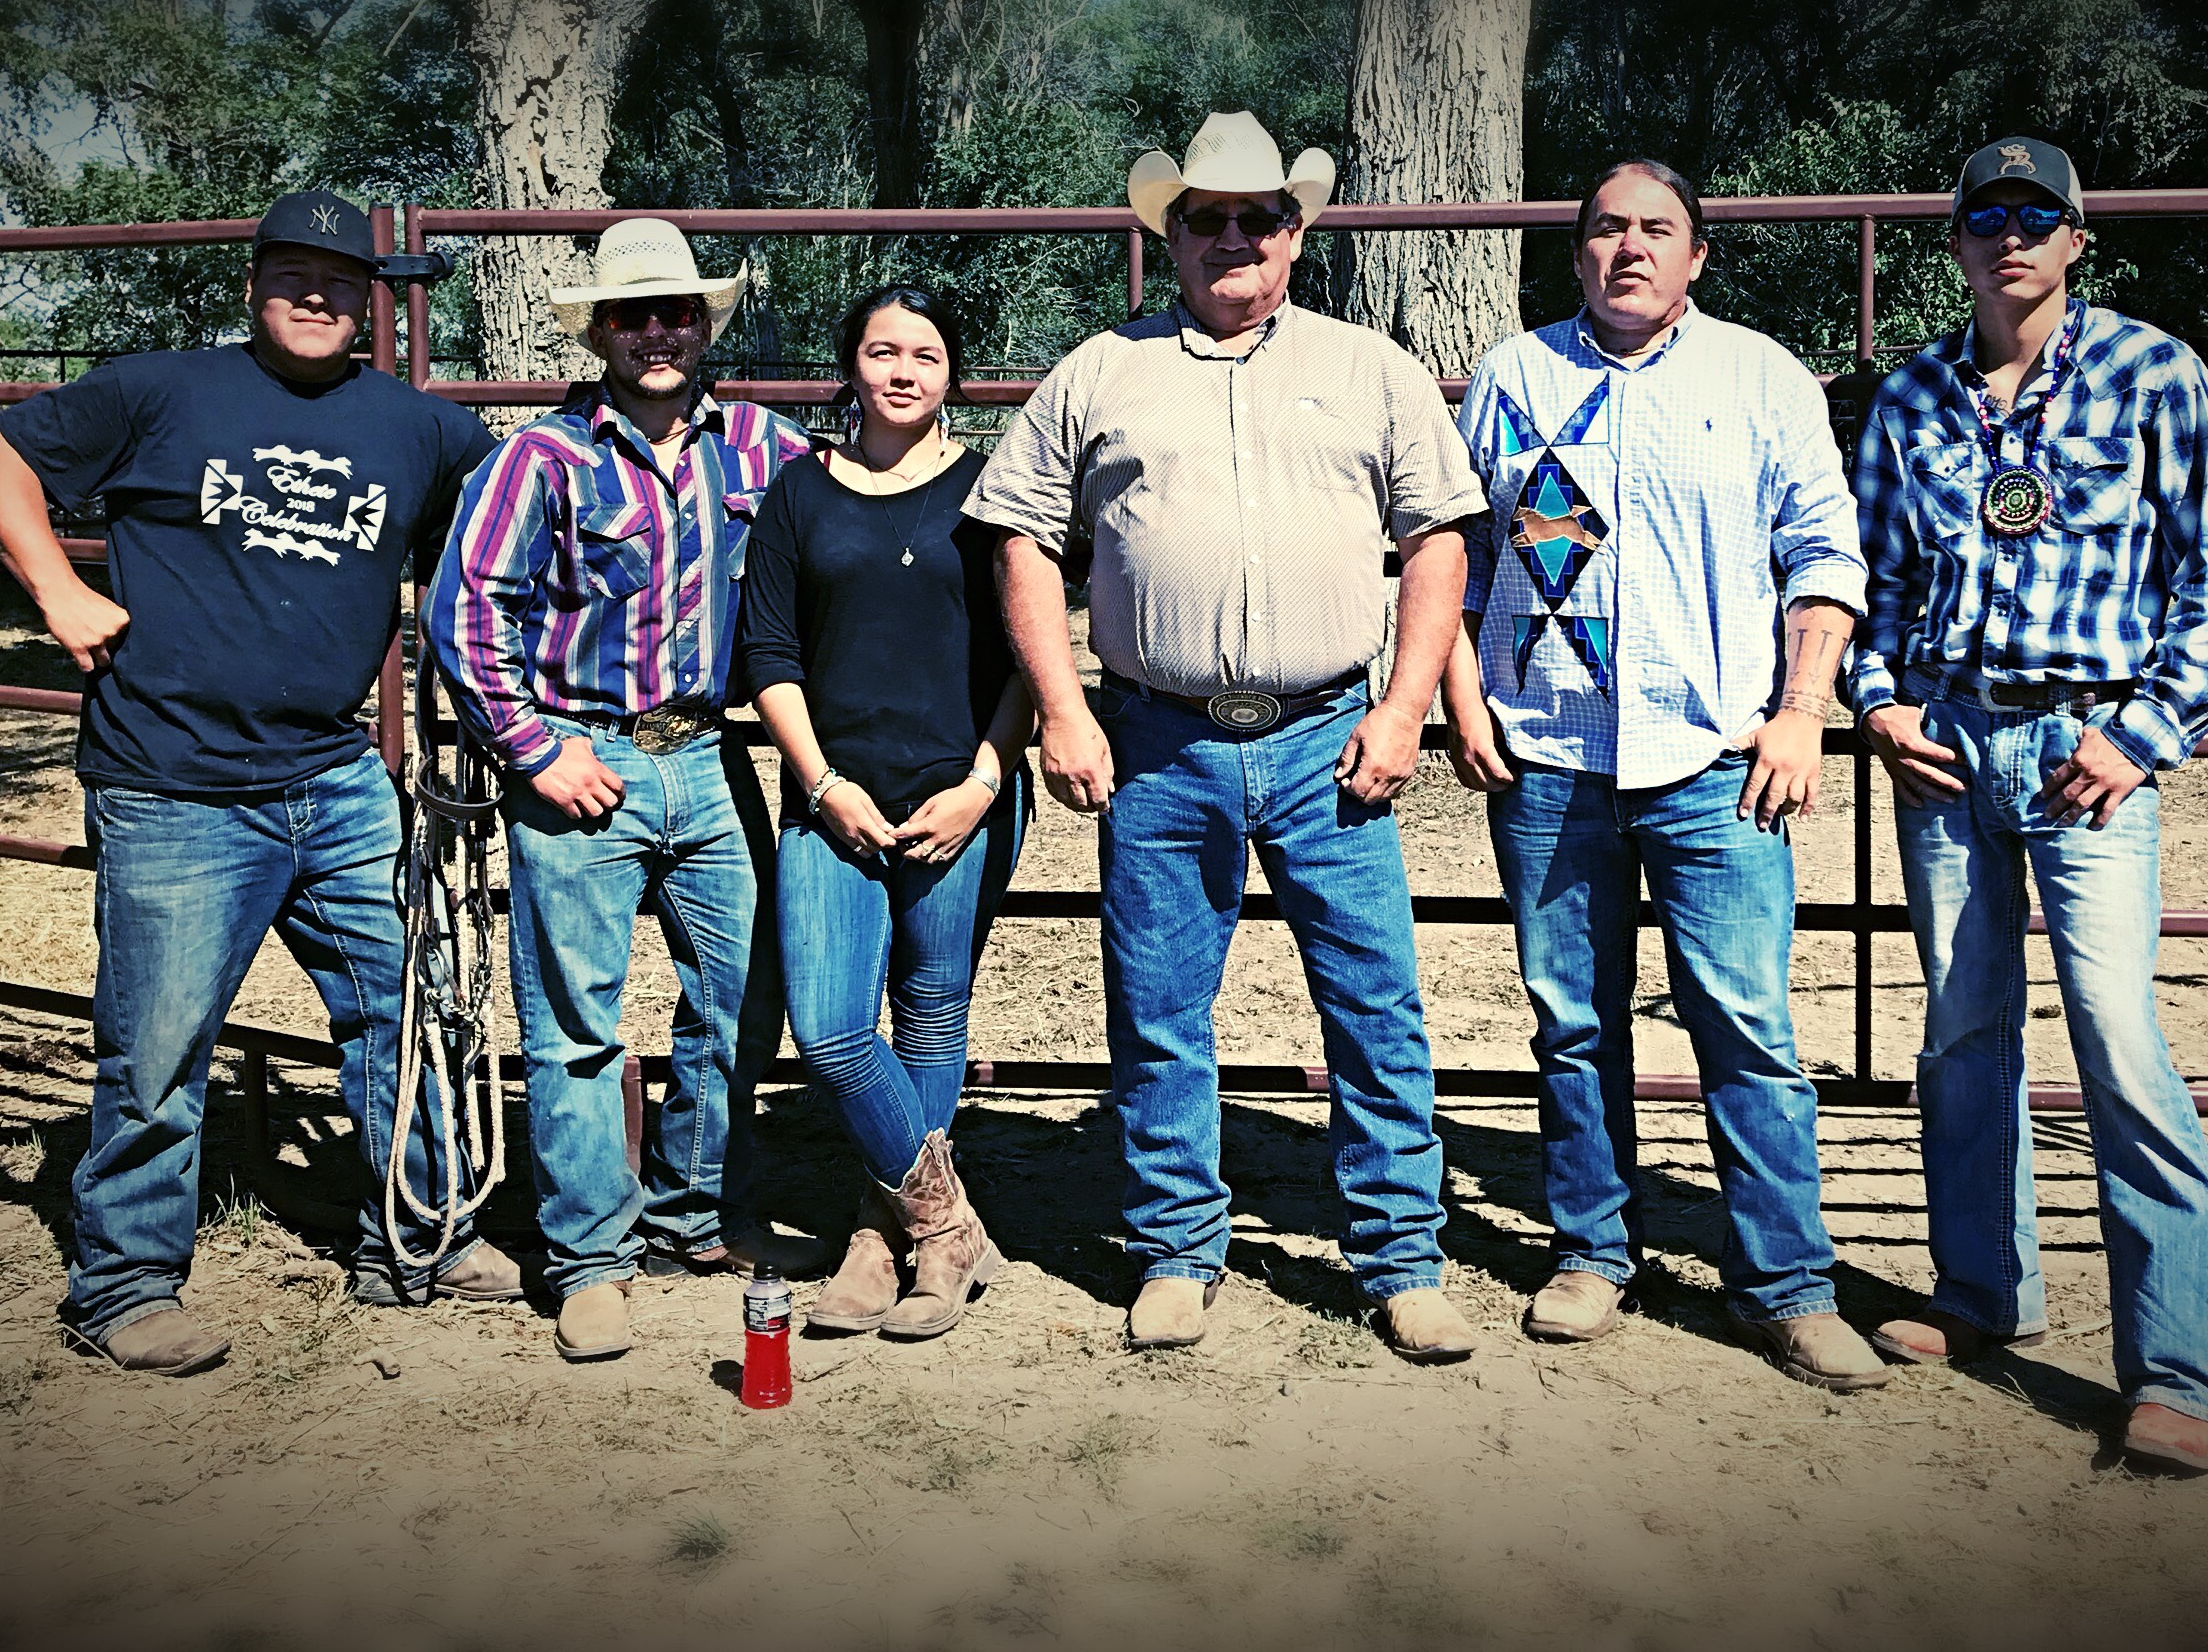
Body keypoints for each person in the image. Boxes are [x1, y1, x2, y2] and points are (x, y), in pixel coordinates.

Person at [0, 190, 514, 1375]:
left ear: (373, 295)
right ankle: (123, 1286)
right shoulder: (162, 390)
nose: (316, 296)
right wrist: (57, 590)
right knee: (156, 1049)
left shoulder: (416, 427)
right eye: (292, 275)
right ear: (254, 280)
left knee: (407, 1013)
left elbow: (525, 511)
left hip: (335, 774)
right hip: (174, 783)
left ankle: (414, 1234)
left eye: (340, 279)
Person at [966, 110, 1488, 1362]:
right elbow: (1020, 537)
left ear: (1297, 233)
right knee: (1157, 1007)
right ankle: (1175, 1248)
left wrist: (1406, 702)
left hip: (1328, 738)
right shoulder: (1099, 369)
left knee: (1373, 1003)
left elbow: (1439, 538)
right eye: (1208, 218)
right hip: (1158, 737)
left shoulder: (1373, 369)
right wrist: (1065, 704)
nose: (1234, 238)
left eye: (1259, 217)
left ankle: (1401, 1254)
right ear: (1173, 234)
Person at [1441, 160, 1889, 1392]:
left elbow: (1822, 551)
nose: (1628, 247)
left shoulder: (1761, 377)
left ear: (1698, 255)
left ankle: (1786, 1286)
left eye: (1657, 230)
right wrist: (1461, 694)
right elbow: (1466, 552)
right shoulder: (1515, 378)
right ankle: (1592, 1250)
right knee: (1571, 1021)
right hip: (1550, 751)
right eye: (1604, 228)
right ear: (1575, 251)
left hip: (1716, 757)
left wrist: (1803, 711)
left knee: (1746, 1026)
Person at [1848, 135, 2208, 1478]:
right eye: (1985, 216)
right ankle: (1979, 1293)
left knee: (2119, 1041)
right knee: (1965, 1031)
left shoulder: (2153, 374)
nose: (2008, 236)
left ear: (2078, 237)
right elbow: (1880, 576)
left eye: (2036, 215)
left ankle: (2178, 1364)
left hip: (2090, 746)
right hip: (1953, 742)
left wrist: (2141, 736)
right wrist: (1878, 697)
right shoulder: (1911, 396)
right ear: (1955, 239)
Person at [428, 218, 814, 1363]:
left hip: (709, 753)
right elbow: (465, 611)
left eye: (678, 313)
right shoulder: (539, 459)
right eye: (633, 315)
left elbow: (843, 536)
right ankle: (589, 1257)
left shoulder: (764, 448)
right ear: (598, 330)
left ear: (705, 325)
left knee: (745, 997)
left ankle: (694, 1216)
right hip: (579, 758)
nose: (657, 332)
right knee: (573, 1023)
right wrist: (532, 747)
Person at [736, 284, 1036, 1341]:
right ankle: (946, 1223)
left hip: (964, 793)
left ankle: (882, 1232)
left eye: (926, 354)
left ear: (954, 372)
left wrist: (983, 784)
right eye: (881, 351)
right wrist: (821, 784)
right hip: (832, 798)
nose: (903, 372)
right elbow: (768, 654)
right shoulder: (797, 495)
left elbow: (1024, 659)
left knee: (933, 1011)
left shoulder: (993, 492)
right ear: (849, 365)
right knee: (827, 1031)